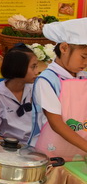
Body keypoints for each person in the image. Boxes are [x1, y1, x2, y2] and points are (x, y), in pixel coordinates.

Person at [28, 18, 87, 160]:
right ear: (64, 48)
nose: (86, 63)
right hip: (50, 155)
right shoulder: (47, 80)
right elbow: (56, 123)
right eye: (83, 57)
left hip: (80, 154)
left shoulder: (83, 77)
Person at [0, 44, 38, 144]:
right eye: (33, 67)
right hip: (11, 148)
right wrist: (19, 148)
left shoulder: (34, 89)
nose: (37, 72)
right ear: (18, 68)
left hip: (37, 142)